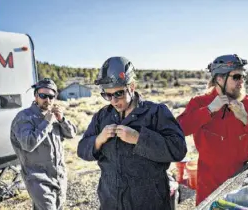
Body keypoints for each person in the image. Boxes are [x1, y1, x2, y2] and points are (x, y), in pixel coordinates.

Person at [77, 56, 187, 210]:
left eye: (118, 94)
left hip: (150, 204)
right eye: (107, 95)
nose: (113, 101)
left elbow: (178, 149)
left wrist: (139, 139)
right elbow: (82, 149)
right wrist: (98, 140)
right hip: (111, 203)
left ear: (132, 87)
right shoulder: (102, 117)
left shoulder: (156, 113)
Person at [177, 54, 248, 206]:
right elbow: (179, 129)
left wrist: (245, 117)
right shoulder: (200, 103)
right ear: (219, 79)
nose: (242, 81)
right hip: (208, 187)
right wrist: (209, 110)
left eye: (243, 76)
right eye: (236, 77)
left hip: (240, 184)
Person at [10, 78, 77, 210]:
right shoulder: (24, 117)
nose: (47, 100)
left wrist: (62, 120)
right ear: (36, 96)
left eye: (51, 96)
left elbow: (72, 134)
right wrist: (46, 122)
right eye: (43, 96)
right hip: (37, 179)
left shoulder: (54, 116)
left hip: (59, 177)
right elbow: (28, 144)